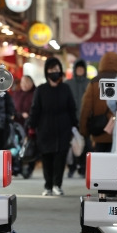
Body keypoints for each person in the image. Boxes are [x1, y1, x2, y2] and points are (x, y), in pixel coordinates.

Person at [28, 57, 77, 196]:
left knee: (60, 159)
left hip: (63, 128)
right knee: (47, 158)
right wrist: (32, 126)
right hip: (45, 128)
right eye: (51, 70)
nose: (54, 72)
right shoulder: (41, 90)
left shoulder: (66, 89)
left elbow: (72, 108)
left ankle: (57, 185)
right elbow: (35, 109)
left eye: (57, 69)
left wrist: (75, 125)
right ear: (46, 72)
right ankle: (48, 185)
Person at [79, 52, 117, 152]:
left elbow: (86, 108)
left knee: (99, 164)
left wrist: (84, 131)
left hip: (99, 131)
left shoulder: (94, 83)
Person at [66, 59, 90, 177]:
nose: (80, 71)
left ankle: (83, 168)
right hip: (71, 119)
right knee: (71, 145)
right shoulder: (68, 83)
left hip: (86, 120)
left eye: (82, 69)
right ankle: (72, 167)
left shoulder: (89, 83)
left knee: (85, 145)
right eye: (78, 69)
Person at [12, 75, 37, 177]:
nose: (25, 85)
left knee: (30, 147)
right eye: (23, 82)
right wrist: (18, 114)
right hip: (18, 124)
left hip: (30, 125)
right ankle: (17, 168)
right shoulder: (17, 94)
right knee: (17, 146)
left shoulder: (36, 93)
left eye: (27, 82)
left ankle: (29, 168)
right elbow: (13, 108)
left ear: (31, 83)